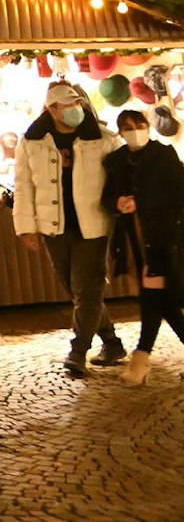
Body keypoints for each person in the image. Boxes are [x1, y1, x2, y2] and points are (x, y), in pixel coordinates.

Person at [13, 82, 126, 376]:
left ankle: (78, 350)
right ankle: (111, 342)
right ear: (52, 110)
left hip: (93, 224)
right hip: (55, 226)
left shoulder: (101, 139)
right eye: (68, 106)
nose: (76, 110)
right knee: (77, 290)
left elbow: (120, 176)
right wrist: (26, 226)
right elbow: (23, 186)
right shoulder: (32, 142)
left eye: (78, 104)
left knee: (87, 289)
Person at [103, 108, 184, 385]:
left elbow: (177, 194)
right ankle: (141, 359)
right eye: (127, 127)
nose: (134, 130)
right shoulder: (116, 161)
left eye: (138, 124)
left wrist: (142, 202)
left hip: (162, 241)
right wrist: (117, 203)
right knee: (165, 301)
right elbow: (107, 196)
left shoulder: (163, 155)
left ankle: (140, 359)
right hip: (133, 241)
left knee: (153, 298)